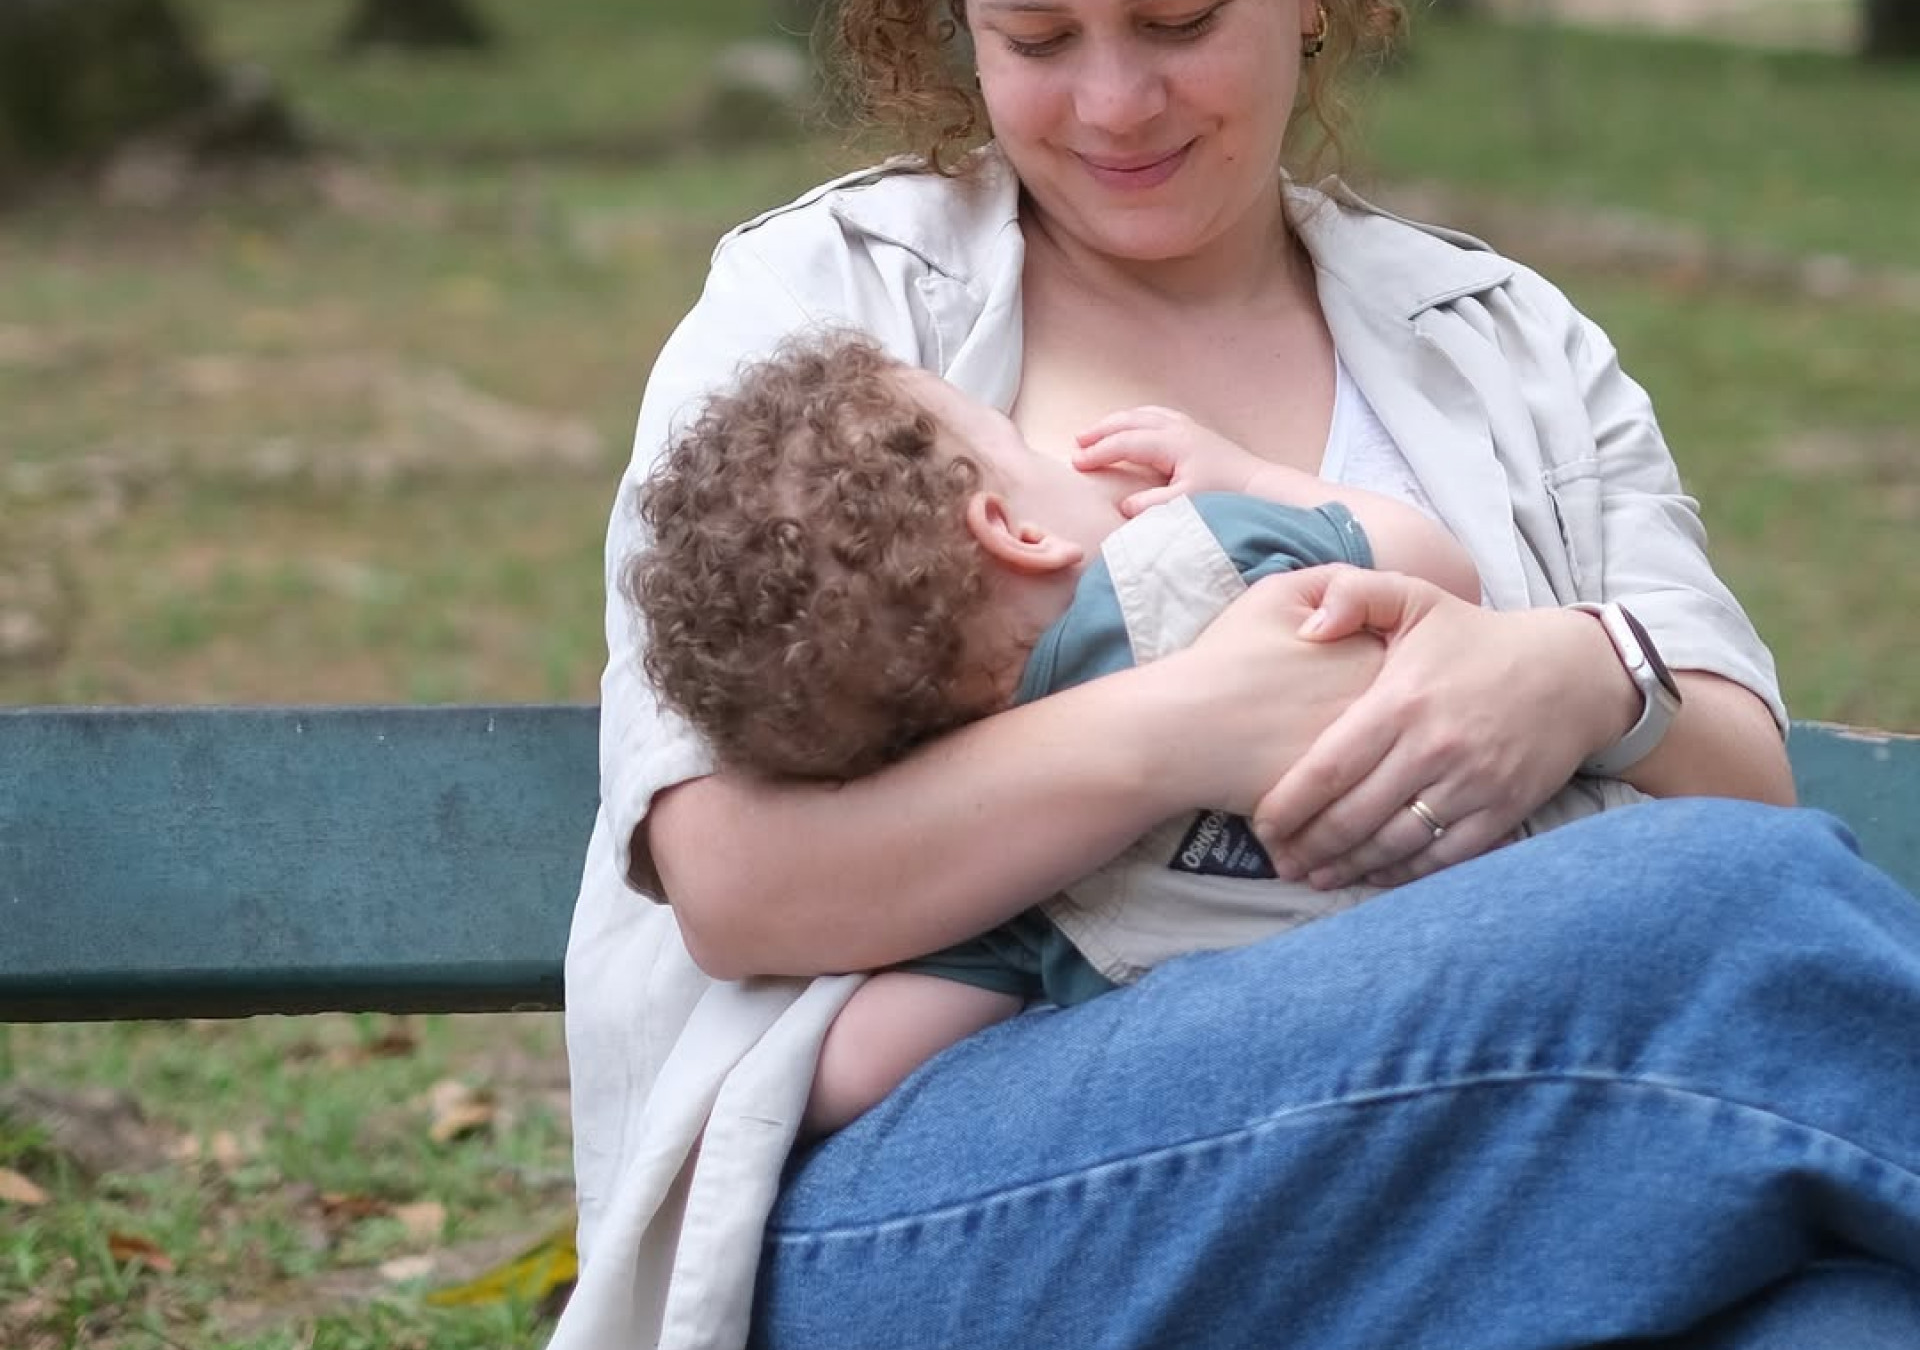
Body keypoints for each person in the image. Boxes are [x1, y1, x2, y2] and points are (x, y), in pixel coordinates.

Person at [480, 0, 1920, 1350]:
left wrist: (1575, 672)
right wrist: (1194, 721)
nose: (1114, 104)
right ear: (956, 8)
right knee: (1733, 931)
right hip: (963, 1264)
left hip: (1469, 1267)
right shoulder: (827, 311)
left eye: (1178, 20)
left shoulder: (1502, 341)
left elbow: (1739, 771)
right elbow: (734, 876)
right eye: (1036, 38)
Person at [629, 331, 1639, 1137]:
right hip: (1520, 959)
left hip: (1303, 1109)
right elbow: (1440, 568)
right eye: (1023, 445)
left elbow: (853, 1070)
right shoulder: (1209, 548)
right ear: (1016, 531)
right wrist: (1256, 477)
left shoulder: (1009, 878)